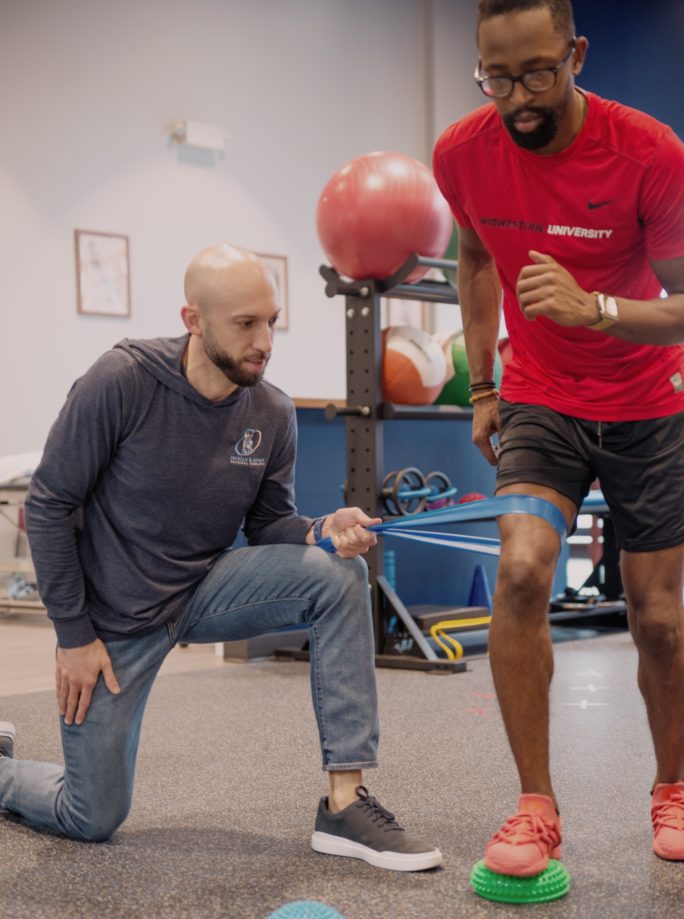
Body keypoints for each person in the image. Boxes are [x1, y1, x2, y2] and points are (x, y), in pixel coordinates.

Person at [0, 243, 442, 872]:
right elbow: (47, 504)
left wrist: (321, 529)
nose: (264, 341)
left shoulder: (272, 411)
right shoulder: (122, 381)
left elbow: (268, 525)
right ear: (193, 320)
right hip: (116, 621)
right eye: (245, 324)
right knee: (90, 815)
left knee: (340, 574)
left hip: (204, 590)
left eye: (271, 321)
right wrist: (73, 636)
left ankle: (345, 802)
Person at [433, 0, 684, 874]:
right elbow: (473, 259)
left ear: (576, 53)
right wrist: (484, 385)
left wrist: (597, 309)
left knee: (657, 617)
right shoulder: (462, 153)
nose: (517, 99)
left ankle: (674, 786)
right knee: (521, 570)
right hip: (541, 398)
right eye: (496, 78)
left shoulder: (649, 152)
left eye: (537, 73)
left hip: (649, 401)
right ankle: (534, 807)